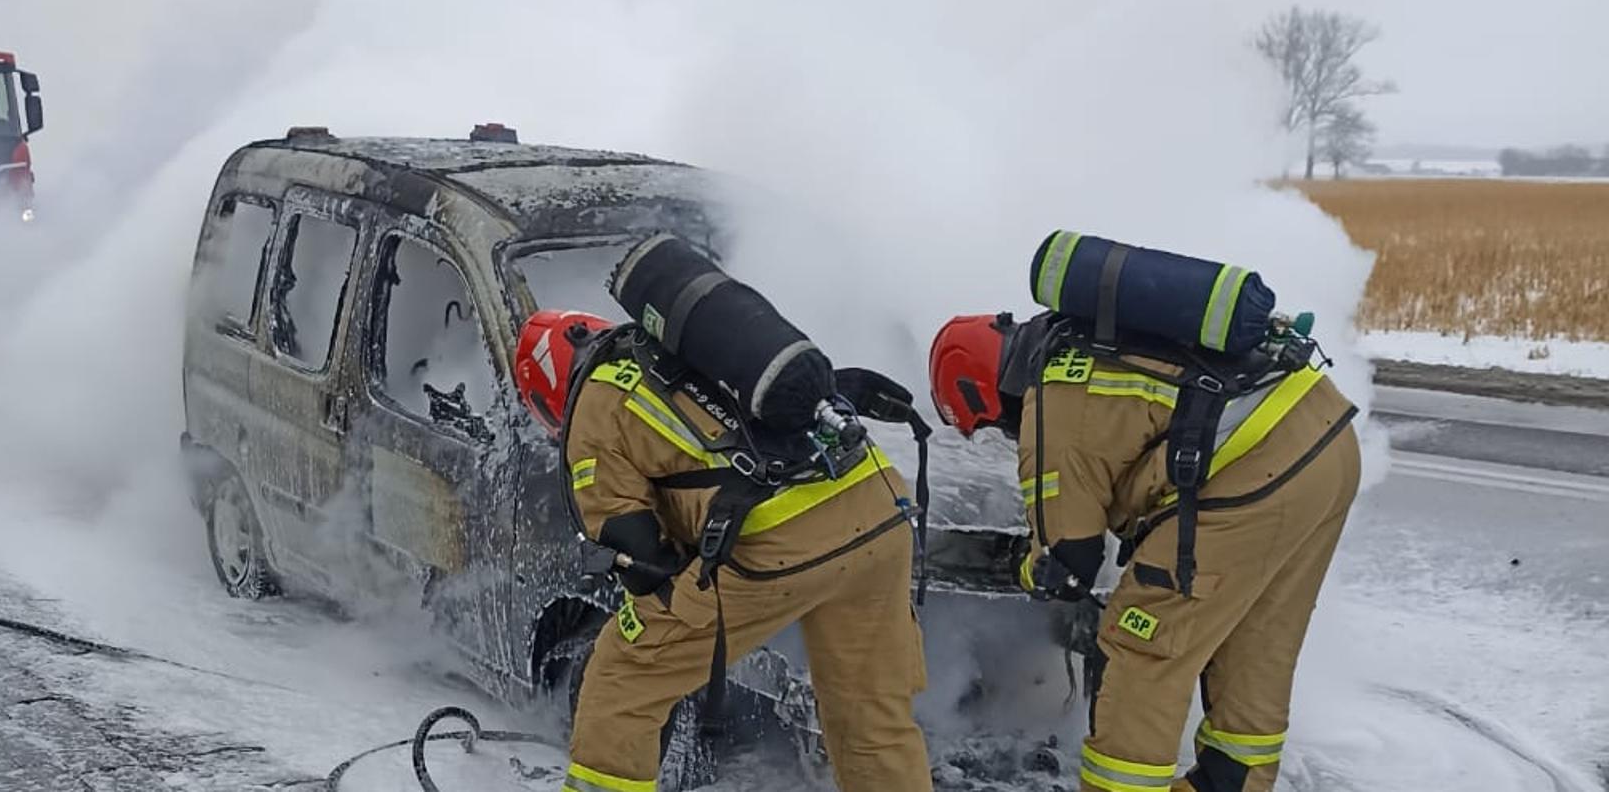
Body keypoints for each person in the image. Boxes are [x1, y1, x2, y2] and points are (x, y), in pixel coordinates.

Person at [928, 313, 1361, 792]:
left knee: (1143, 647)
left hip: (1257, 469)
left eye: (995, 426)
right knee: (1256, 646)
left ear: (979, 391)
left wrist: (1031, 570)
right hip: (1326, 437)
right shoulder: (1091, 346)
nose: (1008, 435)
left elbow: (1070, 557)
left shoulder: (1048, 400)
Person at [514, 309, 934, 792]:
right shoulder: (688, 344)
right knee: (870, 716)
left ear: (547, 395)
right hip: (877, 503)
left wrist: (662, 600)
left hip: (780, 539)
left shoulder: (596, 401)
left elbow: (635, 550)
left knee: (623, 674)